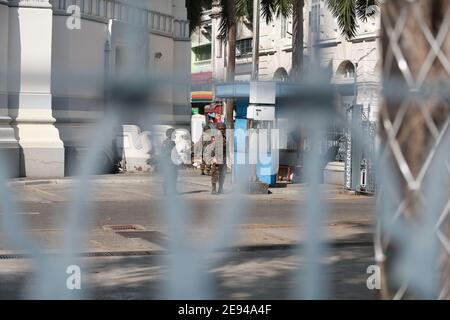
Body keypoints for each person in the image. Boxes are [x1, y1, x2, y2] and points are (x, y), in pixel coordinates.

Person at [209, 123, 227, 194]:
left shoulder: (225, 137)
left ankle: (220, 189)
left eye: (223, 129)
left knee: (223, 174)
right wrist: (213, 157)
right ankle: (213, 189)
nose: (222, 131)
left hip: (224, 158)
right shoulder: (214, 137)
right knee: (215, 174)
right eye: (220, 129)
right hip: (216, 158)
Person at [160, 128, 178, 195]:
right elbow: (171, 152)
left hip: (166, 161)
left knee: (167, 177)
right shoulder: (171, 142)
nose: (175, 135)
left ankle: (166, 191)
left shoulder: (164, 142)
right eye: (174, 133)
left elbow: (162, 152)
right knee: (173, 177)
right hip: (171, 162)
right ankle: (172, 191)